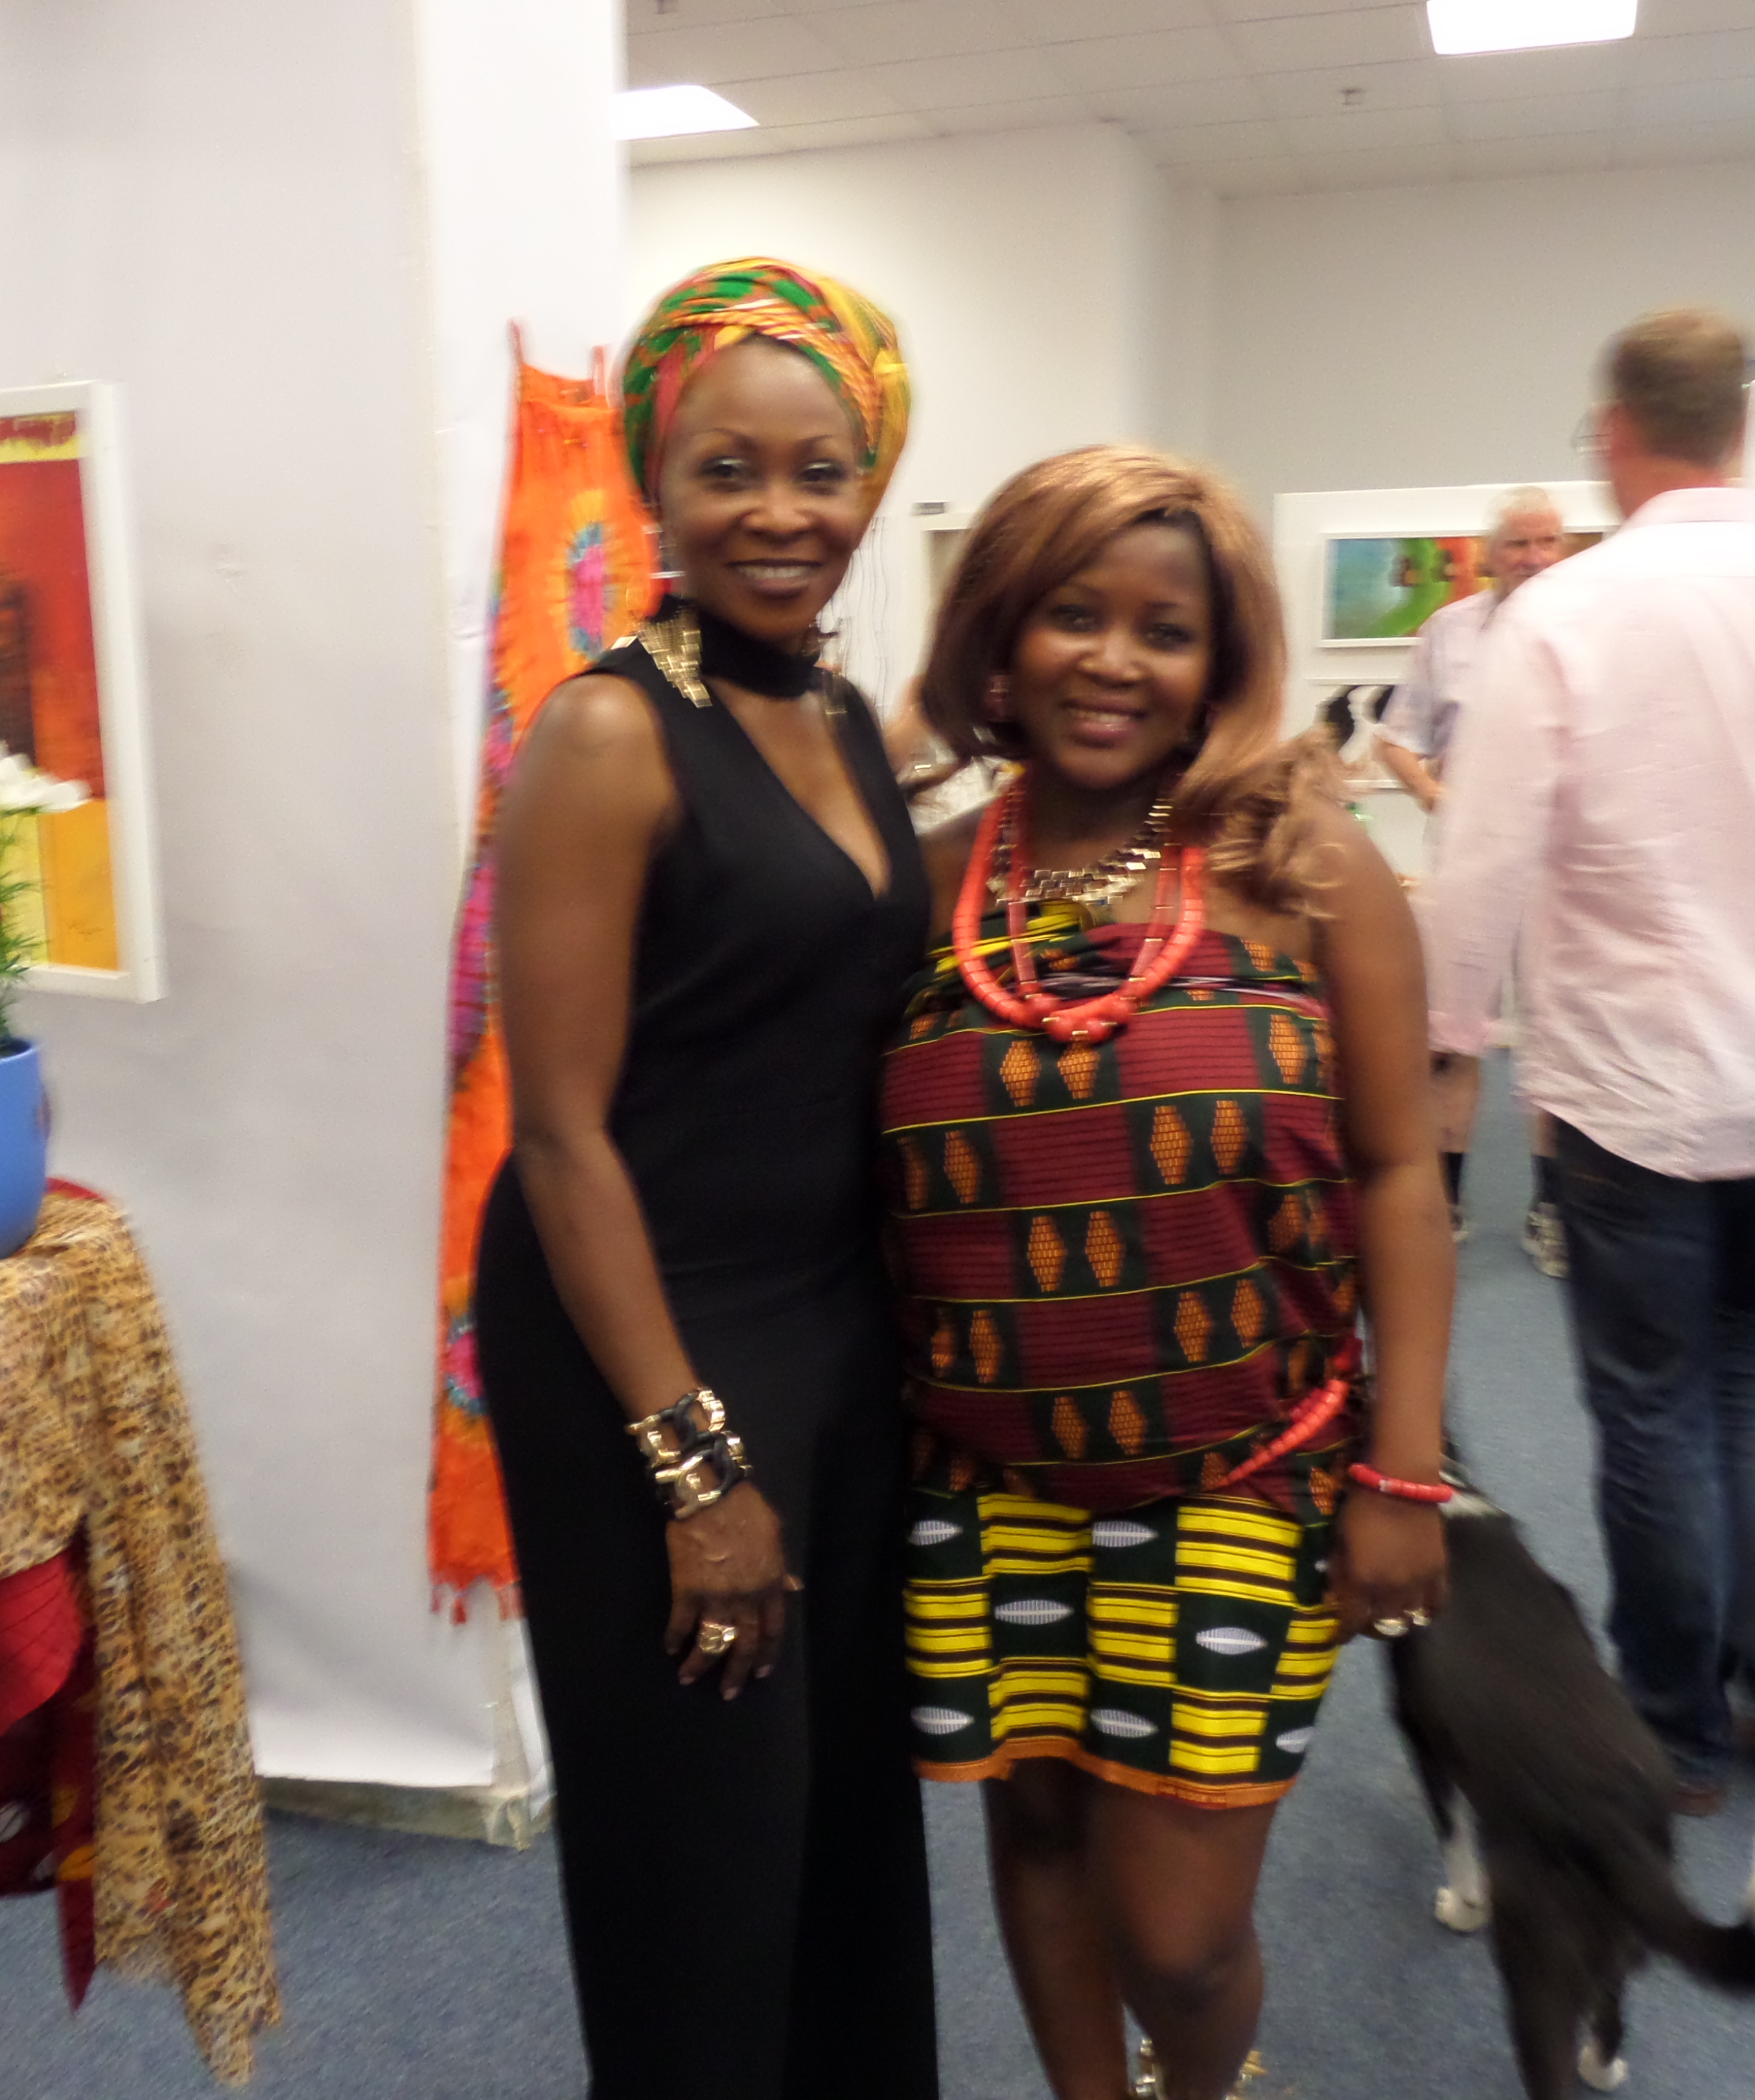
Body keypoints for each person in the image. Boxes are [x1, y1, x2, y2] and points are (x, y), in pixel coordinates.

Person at [885, 446, 1455, 2100]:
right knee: (1040, 1830)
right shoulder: (924, 888)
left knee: (1183, 1937)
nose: (1115, 661)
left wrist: (1405, 1468)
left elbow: (1400, 1171)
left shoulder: (1305, 869)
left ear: (1221, 661)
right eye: (1074, 614)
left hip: (1244, 1470)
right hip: (982, 1477)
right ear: (1002, 630)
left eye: (1166, 629)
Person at [476, 257, 938, 2100]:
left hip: (825, 1325)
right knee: (703, 1832)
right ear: (653, 486)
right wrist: (693, 1463)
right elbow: (560, 1130)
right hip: (642, 1332)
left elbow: (845, 959)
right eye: (724, 469)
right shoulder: (605, 732)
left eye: (819, 471)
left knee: (838, 1804)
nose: (776, 512)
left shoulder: (840, 716)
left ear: (870, 485)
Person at [1424, 307, 1755, 1814]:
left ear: (1614, 434)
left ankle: (1675, 1725)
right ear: (1744, 426)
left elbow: (1483, 864)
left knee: (1651, 1405)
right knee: (1747, 1368)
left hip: (1637, 1087)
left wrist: (1444, 1045)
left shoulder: (1565, 620)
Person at [1377, 486, 1574, 1273]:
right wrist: (1437, 797)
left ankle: (1551, 1210)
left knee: (1555, 1040)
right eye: (1518, 544)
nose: (1534, 558)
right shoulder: (1447, 633)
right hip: (1467, 863)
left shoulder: (1593, 627)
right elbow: (1396, 739)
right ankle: (1445, 1203)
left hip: (1560, 869)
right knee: (1449, 1039)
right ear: (1491, 555)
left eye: (1547, 541)